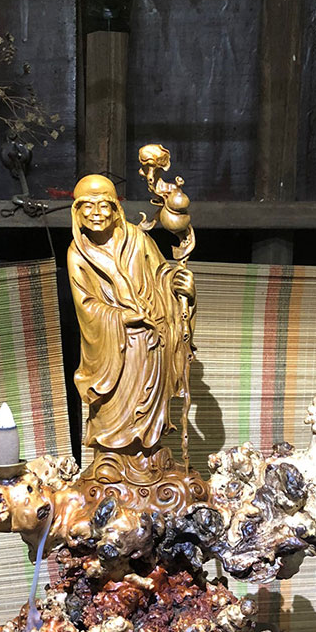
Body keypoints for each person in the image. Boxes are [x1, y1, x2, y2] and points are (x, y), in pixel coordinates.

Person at [68, 174, 195, 471]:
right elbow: (86, 306)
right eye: (87, 206)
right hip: (116, 345)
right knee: (113, 408)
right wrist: (121, 317)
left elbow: (161, 275)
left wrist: (180, 285)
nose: (96, 213)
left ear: (116, 209)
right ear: (77, 212)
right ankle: (113, 457)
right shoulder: (77, 253)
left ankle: (148, 453)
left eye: (104, 205)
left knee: (147, 407)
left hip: (151, 341)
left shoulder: (137, 239)